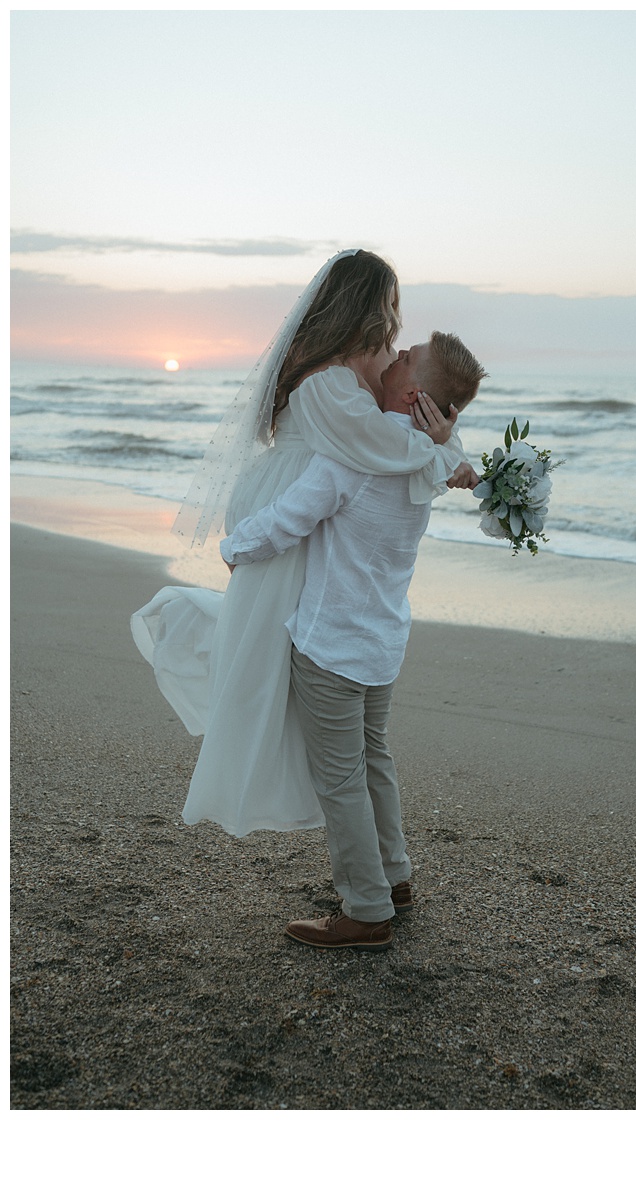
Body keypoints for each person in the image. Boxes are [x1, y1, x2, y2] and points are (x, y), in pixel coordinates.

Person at [132, 250, 477, 836]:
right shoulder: (329, 380)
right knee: (277, 657)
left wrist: (445, 440)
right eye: (391, 303)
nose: (397, 322)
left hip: (305, 502)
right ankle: (316, 807)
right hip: (291, 501)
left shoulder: (351, 368)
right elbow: (383, 446)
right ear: (365, 304)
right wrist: (448, 452)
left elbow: (400, 428)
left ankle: (351, 825)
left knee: (291, 657)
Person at [220, 332, 487, 949]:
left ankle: (366, 911)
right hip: (382, 639)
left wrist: (234, 549)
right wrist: (446, 440)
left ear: (415, 393)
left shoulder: (355, 458)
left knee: (340, 780)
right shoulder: (425, 458)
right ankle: (393, 878)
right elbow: (449, 459)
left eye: (405, 356)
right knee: (374, 763)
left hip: (330, 642)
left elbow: (290, 518)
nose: (392, 354)